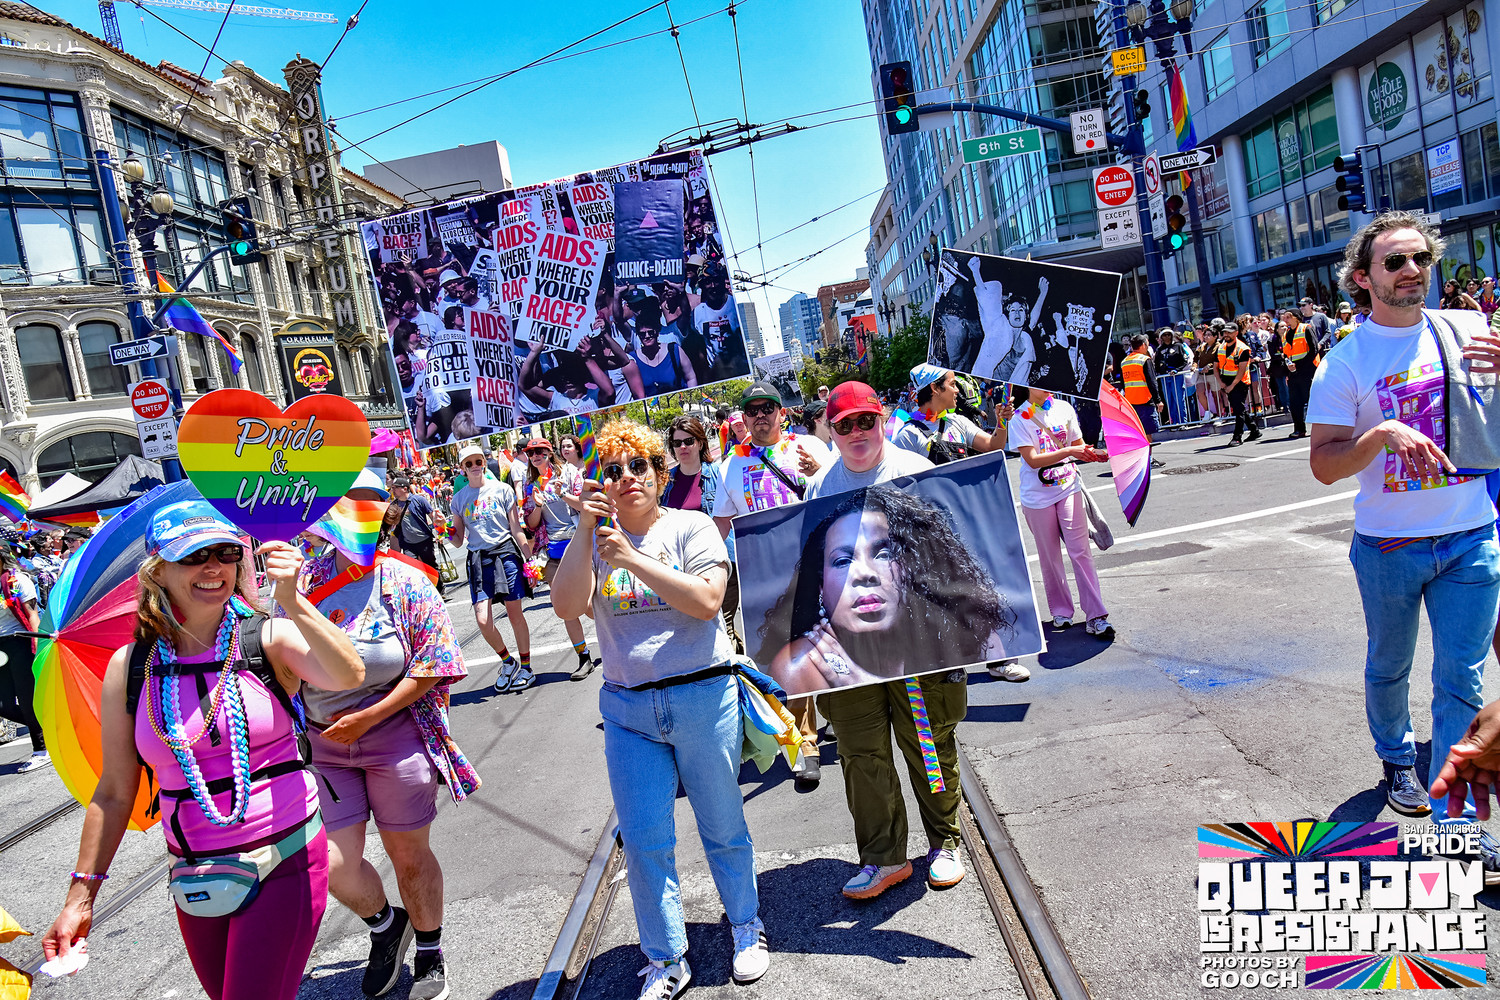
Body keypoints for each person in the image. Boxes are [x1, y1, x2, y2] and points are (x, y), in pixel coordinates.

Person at [42, 499, 364, 1000]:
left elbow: (349, 674)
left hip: (285, 859)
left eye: (225, 553)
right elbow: (114, 792)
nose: (213, 567)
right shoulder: (131, 666)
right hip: (192, 875)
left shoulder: (267, 638)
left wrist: (294, 600)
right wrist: (80, 898)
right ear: (158, 572)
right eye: (193, 556)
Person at [551, 419, 769, 998]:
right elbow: (566, 606)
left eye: (638, 466)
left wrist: (631, 559)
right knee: (645, 840)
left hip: (703, 699)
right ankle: (666, 956)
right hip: (629, 712)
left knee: (722, 823)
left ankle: (746, 924)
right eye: (613, 470)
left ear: (659, 471)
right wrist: (584, 530)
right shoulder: (594, 540)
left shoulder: (690, 527)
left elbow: (707, 602)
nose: (627, 478)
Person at [1309, 211, 1500, 857]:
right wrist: (1380, 435)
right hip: (1390, 545)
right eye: (1395, 261)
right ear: (1363, 278)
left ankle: (1456, 827)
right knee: (1390, 665)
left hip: (1471, 535)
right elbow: (1324, 464)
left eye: (1421, 258)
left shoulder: (1470, 329)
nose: (1412, 270)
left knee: (1462, 682)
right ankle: (1396, 756)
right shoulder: (1346, 361)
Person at [786, 381, 1016, 899]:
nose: (857, 432)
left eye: (865, 420)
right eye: (844, 424)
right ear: (830, 430)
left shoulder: (916, 471)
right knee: (860, 753)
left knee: (929, 742)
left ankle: (945, 842)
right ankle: (882, 857)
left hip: (919, 640)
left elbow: (949, 554)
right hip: (850, 646)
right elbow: (811, 566)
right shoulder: (819, 487)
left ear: (882, 418)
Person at [299, 502, 478, 1000]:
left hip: (394, 735)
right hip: (323, 745)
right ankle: (385, 925)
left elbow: (435, 663)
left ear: (383, 521)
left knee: (407, 854)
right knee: (331, 864)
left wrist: (369, 717)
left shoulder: (406, 580)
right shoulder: (304, 578)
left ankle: (429, 951)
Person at [712, 382, 829, 784]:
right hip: (767, 577)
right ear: (744, 418)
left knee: (833, 648)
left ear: (782, 412)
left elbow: (838, 493)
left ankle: (841, 719)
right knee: (789, 658)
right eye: (752, 410)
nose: (760, 415)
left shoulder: (809, 448)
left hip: (818, 566)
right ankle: (804, 744)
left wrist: (817, 474)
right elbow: (721, 523)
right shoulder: (730, 466)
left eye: (768, 408)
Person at [1008, 387, 1114, 639]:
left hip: (1069, 487)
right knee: (1050, 557)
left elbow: (1078, 446)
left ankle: (1096, 615)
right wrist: (1069, 452)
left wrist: (1096, 454)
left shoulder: (1064, 408)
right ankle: (1061, 610)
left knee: (1081, 552)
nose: (1047, 384)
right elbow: (1032, 460)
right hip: (1036, 497)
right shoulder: (1019, 418)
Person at [451, 443, 535, 693]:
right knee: (483, 620)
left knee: (514, 614)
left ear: (484, 463)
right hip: (478, 559)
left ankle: (527, 667)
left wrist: (529, 561)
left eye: (478, 461)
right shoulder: (459, 499)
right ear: (463, 469)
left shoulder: (502, 490)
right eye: (469, 464)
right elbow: (457, 540)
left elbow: (516, 528)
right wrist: (443, 529)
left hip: (505, 554)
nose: (475, 466)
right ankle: (508, 662)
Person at [521, 438, 599, 680]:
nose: (536, 456)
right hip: (551, 551)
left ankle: (614, 639)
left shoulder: (569, 473)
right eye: (531, 453)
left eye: (540, 451)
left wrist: (562, 493)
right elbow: (531, 525)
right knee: (565, 608)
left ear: (549, 452)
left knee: (589, 605)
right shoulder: (530, 484)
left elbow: (585, 505)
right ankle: (584, 657)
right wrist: (536, 505)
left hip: (578, 544)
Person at [663, 416, 739, 652]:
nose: (683, 447)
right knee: (700, 631)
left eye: (688, 441)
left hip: (719, 563)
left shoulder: (718, 474)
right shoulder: (666, 482)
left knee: (723, 628)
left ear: (700, 442)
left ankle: (735, 667)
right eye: (677, 443)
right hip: (682, 569)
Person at [893, 364, 1003, 463]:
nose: (957, 390)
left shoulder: (958, 422)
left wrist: (1002, 419)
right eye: (953, 384)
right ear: (935, 388)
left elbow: (993, 446)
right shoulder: (908, 435)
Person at [0, 548, 44, 771]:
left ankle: (41, 750)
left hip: (19, 642)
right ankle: (49, 728)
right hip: (0, 648)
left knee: (27, 699)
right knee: (3, 705)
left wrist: (37, 646)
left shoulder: (16, 581)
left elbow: (32, 614)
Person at [388, 476, 444, 596]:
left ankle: (439, 589)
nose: (393, 490)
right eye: (392, 488)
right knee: (412, 569)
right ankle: (422, 593)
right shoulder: (394, 505)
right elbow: (391, 526)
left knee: (430, 566)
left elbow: (433, 517)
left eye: (395, 488)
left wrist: (440, 534)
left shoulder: (419, 500)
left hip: (424, 540)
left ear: (404, 488)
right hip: (407, 544)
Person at [1280, 306, 1324, 439]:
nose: (1286, 320)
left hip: (1307, 370)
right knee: (1295, 402)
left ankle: (1322, 428)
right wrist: (1288, 365)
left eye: (1288, 317)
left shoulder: (1306, 328)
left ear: (1297, 318)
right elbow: (1286, 354)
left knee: (1312, 400)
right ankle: (1299, 429)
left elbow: (1313, 349)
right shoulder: (1286, 334)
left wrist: (1299, 366)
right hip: (1293, 372)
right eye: (1284, 317)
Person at [1217, 321, 1262, 446]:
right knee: (1239, 408)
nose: (1226, 335)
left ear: (1236, 333)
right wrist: (1221, 382)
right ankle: (1254, 430)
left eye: (1229, 332)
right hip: (1226, 382)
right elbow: (1216, 365)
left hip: (1240, 382)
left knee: (1238, 410)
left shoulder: (1243, 349)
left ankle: (1237, 436)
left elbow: (1241, 371)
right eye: (1225, 332)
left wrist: (1232, 386)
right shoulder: (1221, 347)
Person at [1119, 334, 1166, 453]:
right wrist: (1158, 400)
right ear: (1144, 345)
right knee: (1147, 432)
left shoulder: (1124, 362)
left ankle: (1142, 457)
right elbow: (1152, 382)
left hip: (1131, 402)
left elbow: (1123, 383)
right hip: (1145, 400)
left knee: (1138, 432)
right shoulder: (1144, 360)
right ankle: (1148, 458)